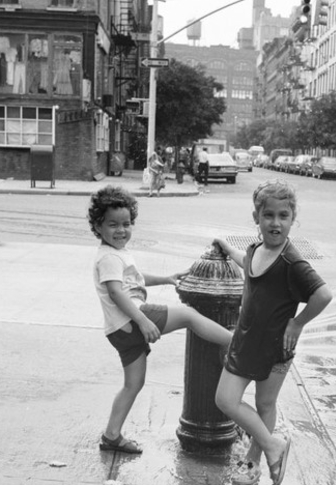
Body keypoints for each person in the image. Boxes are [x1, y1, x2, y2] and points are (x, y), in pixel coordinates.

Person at [88, 185, 233, 454]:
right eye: (112, 225)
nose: (121, 230)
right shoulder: (109, 257)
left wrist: (166, 278)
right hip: (132, 319)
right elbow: (117, 293)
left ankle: (112, 436)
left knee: (133, 384)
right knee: (189, 315)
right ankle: (236, 342)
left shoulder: (114, 254)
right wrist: (143, 322)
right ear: (98, 226)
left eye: (126, 224)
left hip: (117, 329)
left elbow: (135, 280)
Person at [214, 180, 332, 485]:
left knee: (265, 404)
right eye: (268, 215)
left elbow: (323, 295)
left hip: (275, 348)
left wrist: (298, 323)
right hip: (246, 342)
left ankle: (254, 460)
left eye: (283, 216)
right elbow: (248, 263)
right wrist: (228, 248)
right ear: (256, 217)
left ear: (293, 219)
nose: (276, 223)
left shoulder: (293, 263)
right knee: (226, 400)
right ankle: (273, 445)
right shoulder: (255, 248)